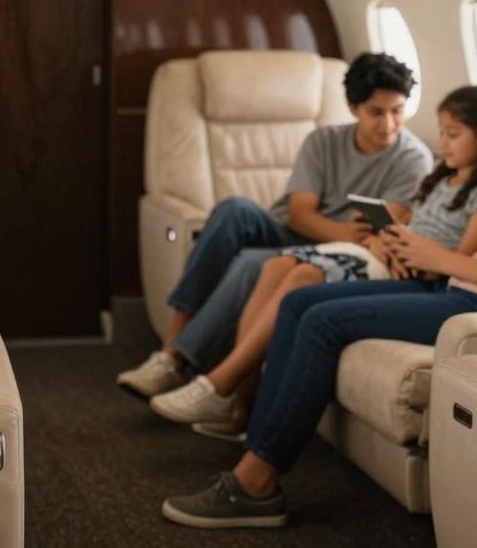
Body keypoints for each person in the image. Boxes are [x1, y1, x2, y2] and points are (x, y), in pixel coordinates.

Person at [160, 35, 477, 529]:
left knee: (324, 323)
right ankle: (254, 451)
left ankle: (255, 484)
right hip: (461, 288)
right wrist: (421, 258)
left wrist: (443, 260)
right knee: (299, 302)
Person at [149, 86, 477, 429]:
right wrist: (382, 242)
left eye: (453, 134)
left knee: (301, 277)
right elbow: (402, 224)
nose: (442, 143)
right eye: (441, 133)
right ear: (354, 108)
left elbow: (460, 258)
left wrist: (407, 253)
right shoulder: (438, 178)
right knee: (275, 264)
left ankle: (219, 385)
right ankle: (236, 401)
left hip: (419, 269)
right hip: (391, 254)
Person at [117, 53, 433, 398]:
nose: (388, 124)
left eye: (397, 111)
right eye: (376, 113)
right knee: (233, 210)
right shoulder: (323, 141)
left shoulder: (413, 159)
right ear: (353, 108)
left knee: (252, 262)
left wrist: (346, 238)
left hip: (335, 251)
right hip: (299, 231)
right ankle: (169, 348)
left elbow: (384, 229)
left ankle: (180, 362)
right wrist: (343, 231)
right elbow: (299, 215)